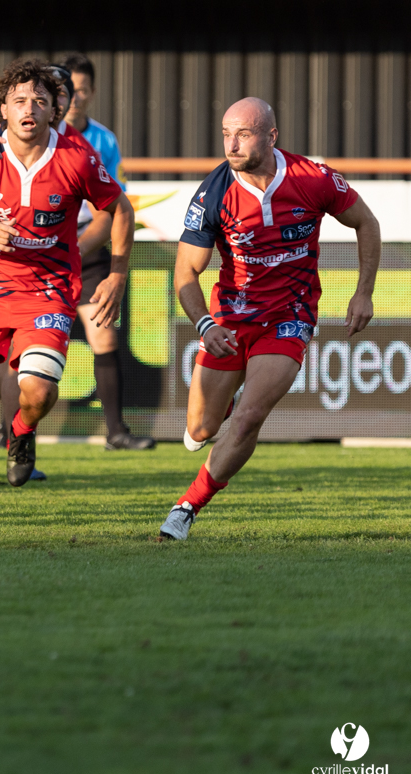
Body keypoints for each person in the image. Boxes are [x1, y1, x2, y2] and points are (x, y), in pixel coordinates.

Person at [160, 97, 379, 539]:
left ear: (271, 136)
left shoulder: (313, 178)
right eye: (226, 134)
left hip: (289, 316)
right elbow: (185, 273)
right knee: (199, 429)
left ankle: (186, 507)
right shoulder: (213, 193)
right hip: (230, 320)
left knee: (249, 417)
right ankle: (221, 411)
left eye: (242, 134)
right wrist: (205, 325)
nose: (231, 145)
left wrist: (363, 293)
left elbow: (366, 222)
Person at [0, 59, 135, 503]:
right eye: (20, 100)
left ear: (53, 110)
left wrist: (117, 274)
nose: (29, 108)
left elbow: (119, 209)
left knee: (39, 391)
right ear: (3, 109)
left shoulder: (78, 156)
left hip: (48, 288)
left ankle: (22, 431)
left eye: (40, 101)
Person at [63, 53, 154, 450]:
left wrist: (83, 247)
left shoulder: (104, 140)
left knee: (104, 337)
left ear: (92, 93)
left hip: (89, 248)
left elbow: (115, 205)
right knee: (25, 342)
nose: (74, 99)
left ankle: (115, 431)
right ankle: (8, 433)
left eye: (82, 91)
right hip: (43, 249)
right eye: (68, 91)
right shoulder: (40, 136)